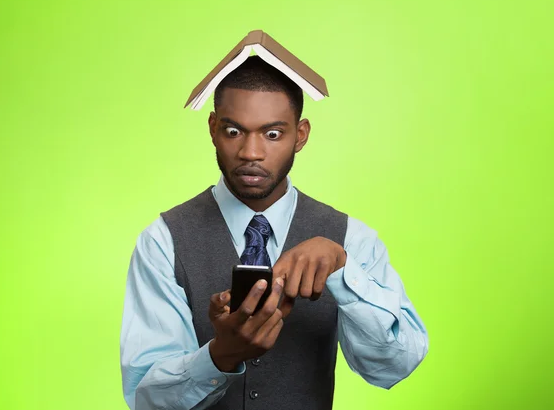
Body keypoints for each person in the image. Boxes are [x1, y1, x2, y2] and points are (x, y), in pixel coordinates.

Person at [120, 56, 429, 410]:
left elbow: (394, 367)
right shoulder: (163, 241)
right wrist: (221, 355)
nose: (251, 153)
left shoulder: (351, 240)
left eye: (272, 134)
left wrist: (344, 273)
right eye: (234, 131)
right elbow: (146, 399)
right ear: (212, 128)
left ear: (300, 135)